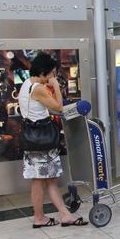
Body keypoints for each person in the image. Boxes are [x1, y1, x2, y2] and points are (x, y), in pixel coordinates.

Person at [20, 53, 86, 228]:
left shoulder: (26, 85)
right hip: (42, 141)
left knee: (45, 180)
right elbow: (59, 106)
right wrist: (56, 86)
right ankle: (40, 218)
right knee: (41, 181)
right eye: (52, 74)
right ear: (44, 72)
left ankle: (62, 215)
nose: (52, 77)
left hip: (32, 140)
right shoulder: (38, 88)